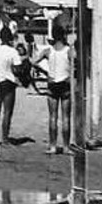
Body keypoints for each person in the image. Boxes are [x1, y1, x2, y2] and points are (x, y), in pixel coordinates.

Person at [34, 24, 74, 154]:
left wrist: (47, 71)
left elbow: (35, 62)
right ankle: (66, 146)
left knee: (53, 117)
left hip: (52, 84)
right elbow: (77, 63)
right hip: (65, 83)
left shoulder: (48, 51)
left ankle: (52, 146)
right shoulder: (69, 50)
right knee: (66, 117)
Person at [0, 27, 23, 147]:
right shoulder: (12, 51)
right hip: (8, 81)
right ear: (10, 38)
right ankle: (5, 139)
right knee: (7, 112)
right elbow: (18, 69)